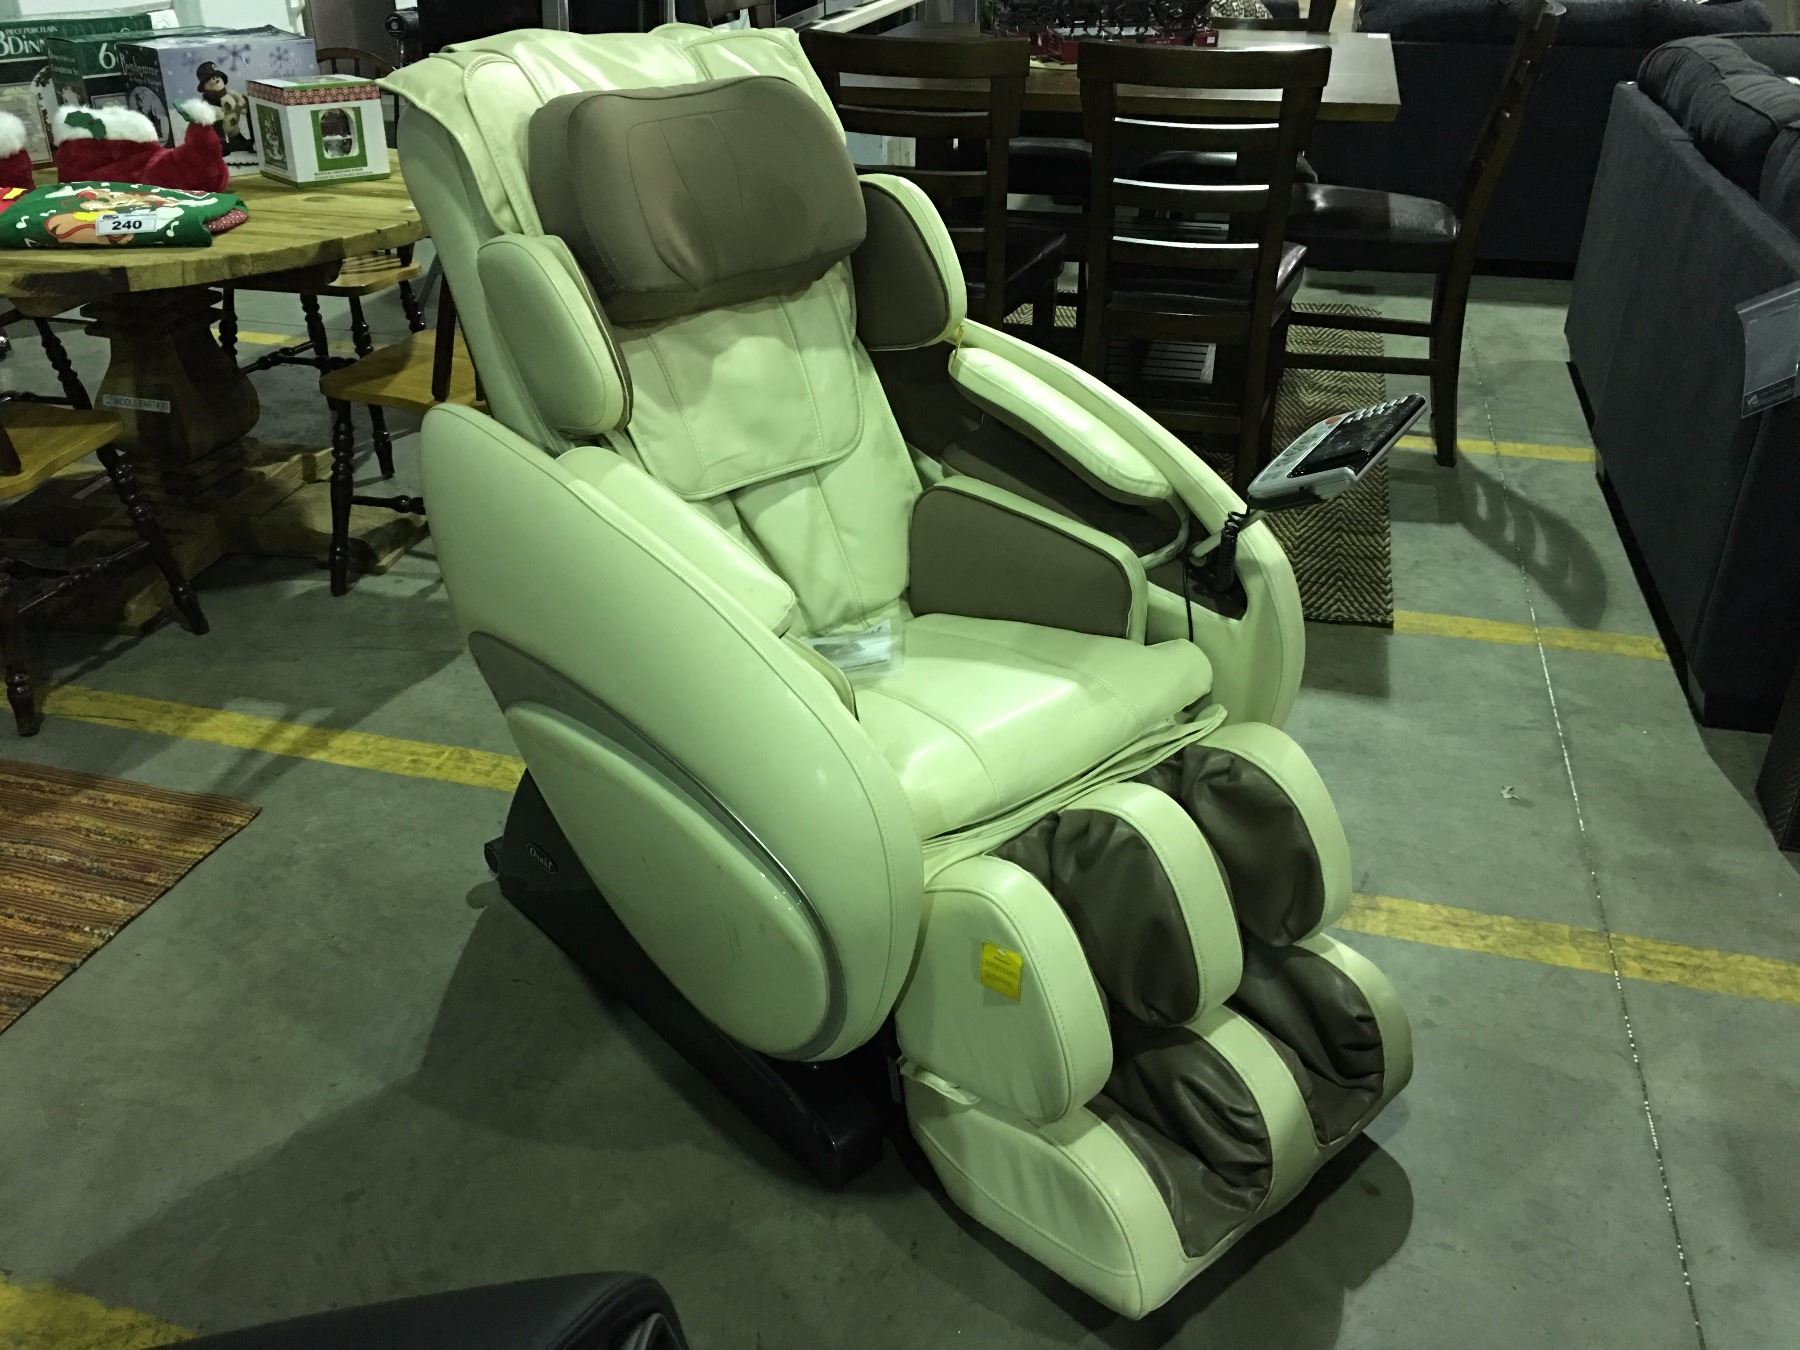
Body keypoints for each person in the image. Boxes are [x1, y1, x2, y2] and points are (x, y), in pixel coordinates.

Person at [196, 61, 254, 154]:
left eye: (217, 76)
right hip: (217, 130)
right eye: (210, 78)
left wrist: (242, 103)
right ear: (204, 85)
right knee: (217, 134)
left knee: (235, 133)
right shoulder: (206, 101)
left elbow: (240, 100)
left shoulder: (229, 93)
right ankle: (219, 143)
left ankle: (236, 140)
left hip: (233, 126)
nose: (215, 79)